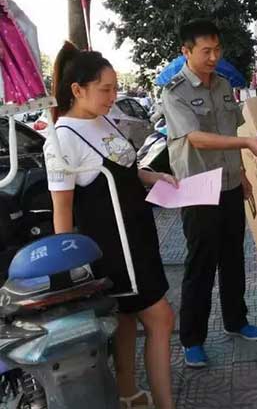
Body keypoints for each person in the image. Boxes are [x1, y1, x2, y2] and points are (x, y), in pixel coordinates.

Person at [44, 42, 176, 409]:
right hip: (115, 252)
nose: (113, 96)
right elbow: (62, 211)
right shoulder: (62, 138)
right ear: (77, 90)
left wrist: (152, 176)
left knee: (127, 321)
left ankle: (128, 394)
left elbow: (124, 168)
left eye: (115, 88)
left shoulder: (102, 119)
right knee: (162, 319)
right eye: (105, 89)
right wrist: (70, 273)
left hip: (139, 238)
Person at [162, 19, 257, 368]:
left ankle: (236, 321)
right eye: (206, 51)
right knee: (201, 264)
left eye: (217, 49)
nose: (213, 57)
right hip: (198, 189)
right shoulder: (174, 92)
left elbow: (229, 132)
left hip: (229, 184)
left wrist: (243, 174)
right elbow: (197, 138)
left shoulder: (223, 84)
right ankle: (192, 339)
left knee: (233, 258)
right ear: (186, 51)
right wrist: (246, 143)